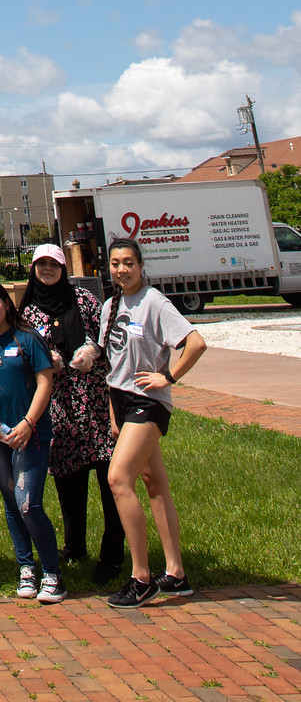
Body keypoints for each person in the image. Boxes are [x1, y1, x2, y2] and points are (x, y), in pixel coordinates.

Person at [99, 236, 206, 610]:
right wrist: (114, 414)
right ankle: (175, 574)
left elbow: (195, 343)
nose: (122, 269)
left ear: (141, 266)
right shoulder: (110, 305)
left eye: (128, 262)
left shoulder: (155, 302)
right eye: (115, 263)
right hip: (123, 403)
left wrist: (169, 377)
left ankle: (141, 578)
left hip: (148, 402)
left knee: (118, 479)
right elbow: (111, 366)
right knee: (153, 482)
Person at [17, 244, 124, 584]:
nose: (47, 269)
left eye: (54, 264)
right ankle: (75, 545)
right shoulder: (27, 310)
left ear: (63, 267)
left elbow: (106, 336)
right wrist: (48, 361)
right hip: (58, 406)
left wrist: (92, 350)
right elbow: (23, 351)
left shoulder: (83, 299)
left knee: (111, 480)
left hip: (95, 400)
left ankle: (113, 553)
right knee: (68, 480)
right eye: (41, 264)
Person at [0, 279, 64, 604]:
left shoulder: (28, 339)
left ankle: (53, 574)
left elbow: (45, 381)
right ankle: (26, 568)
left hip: (30, 433)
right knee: (11, 501)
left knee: (28, 502)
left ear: (6, 303)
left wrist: (29, 423)